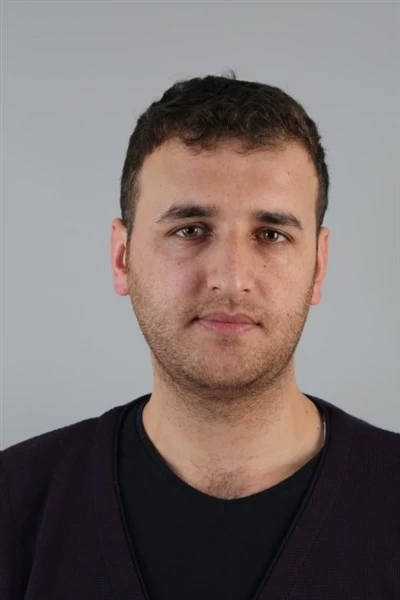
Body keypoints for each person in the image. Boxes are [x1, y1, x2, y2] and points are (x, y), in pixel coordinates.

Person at [1, 71, 399, 600]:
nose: (231, 278)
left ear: (319, 266)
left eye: (271, 234)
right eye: (189, 230)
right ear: (121, 257)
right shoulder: (15, 504)